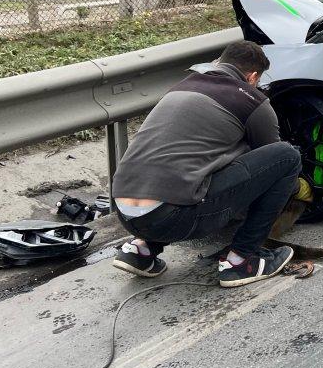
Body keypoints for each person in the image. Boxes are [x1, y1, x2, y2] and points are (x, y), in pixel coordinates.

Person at [110, 40, 302, 288]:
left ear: (217, 63)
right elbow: (270, 162)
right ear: (253, 77)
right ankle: (241, 260)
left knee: (186, 168)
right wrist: (297, 188)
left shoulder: (180, 88)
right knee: (288, 156)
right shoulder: (253, 101)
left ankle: (140, 250)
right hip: (174, 217)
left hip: (125, 212)